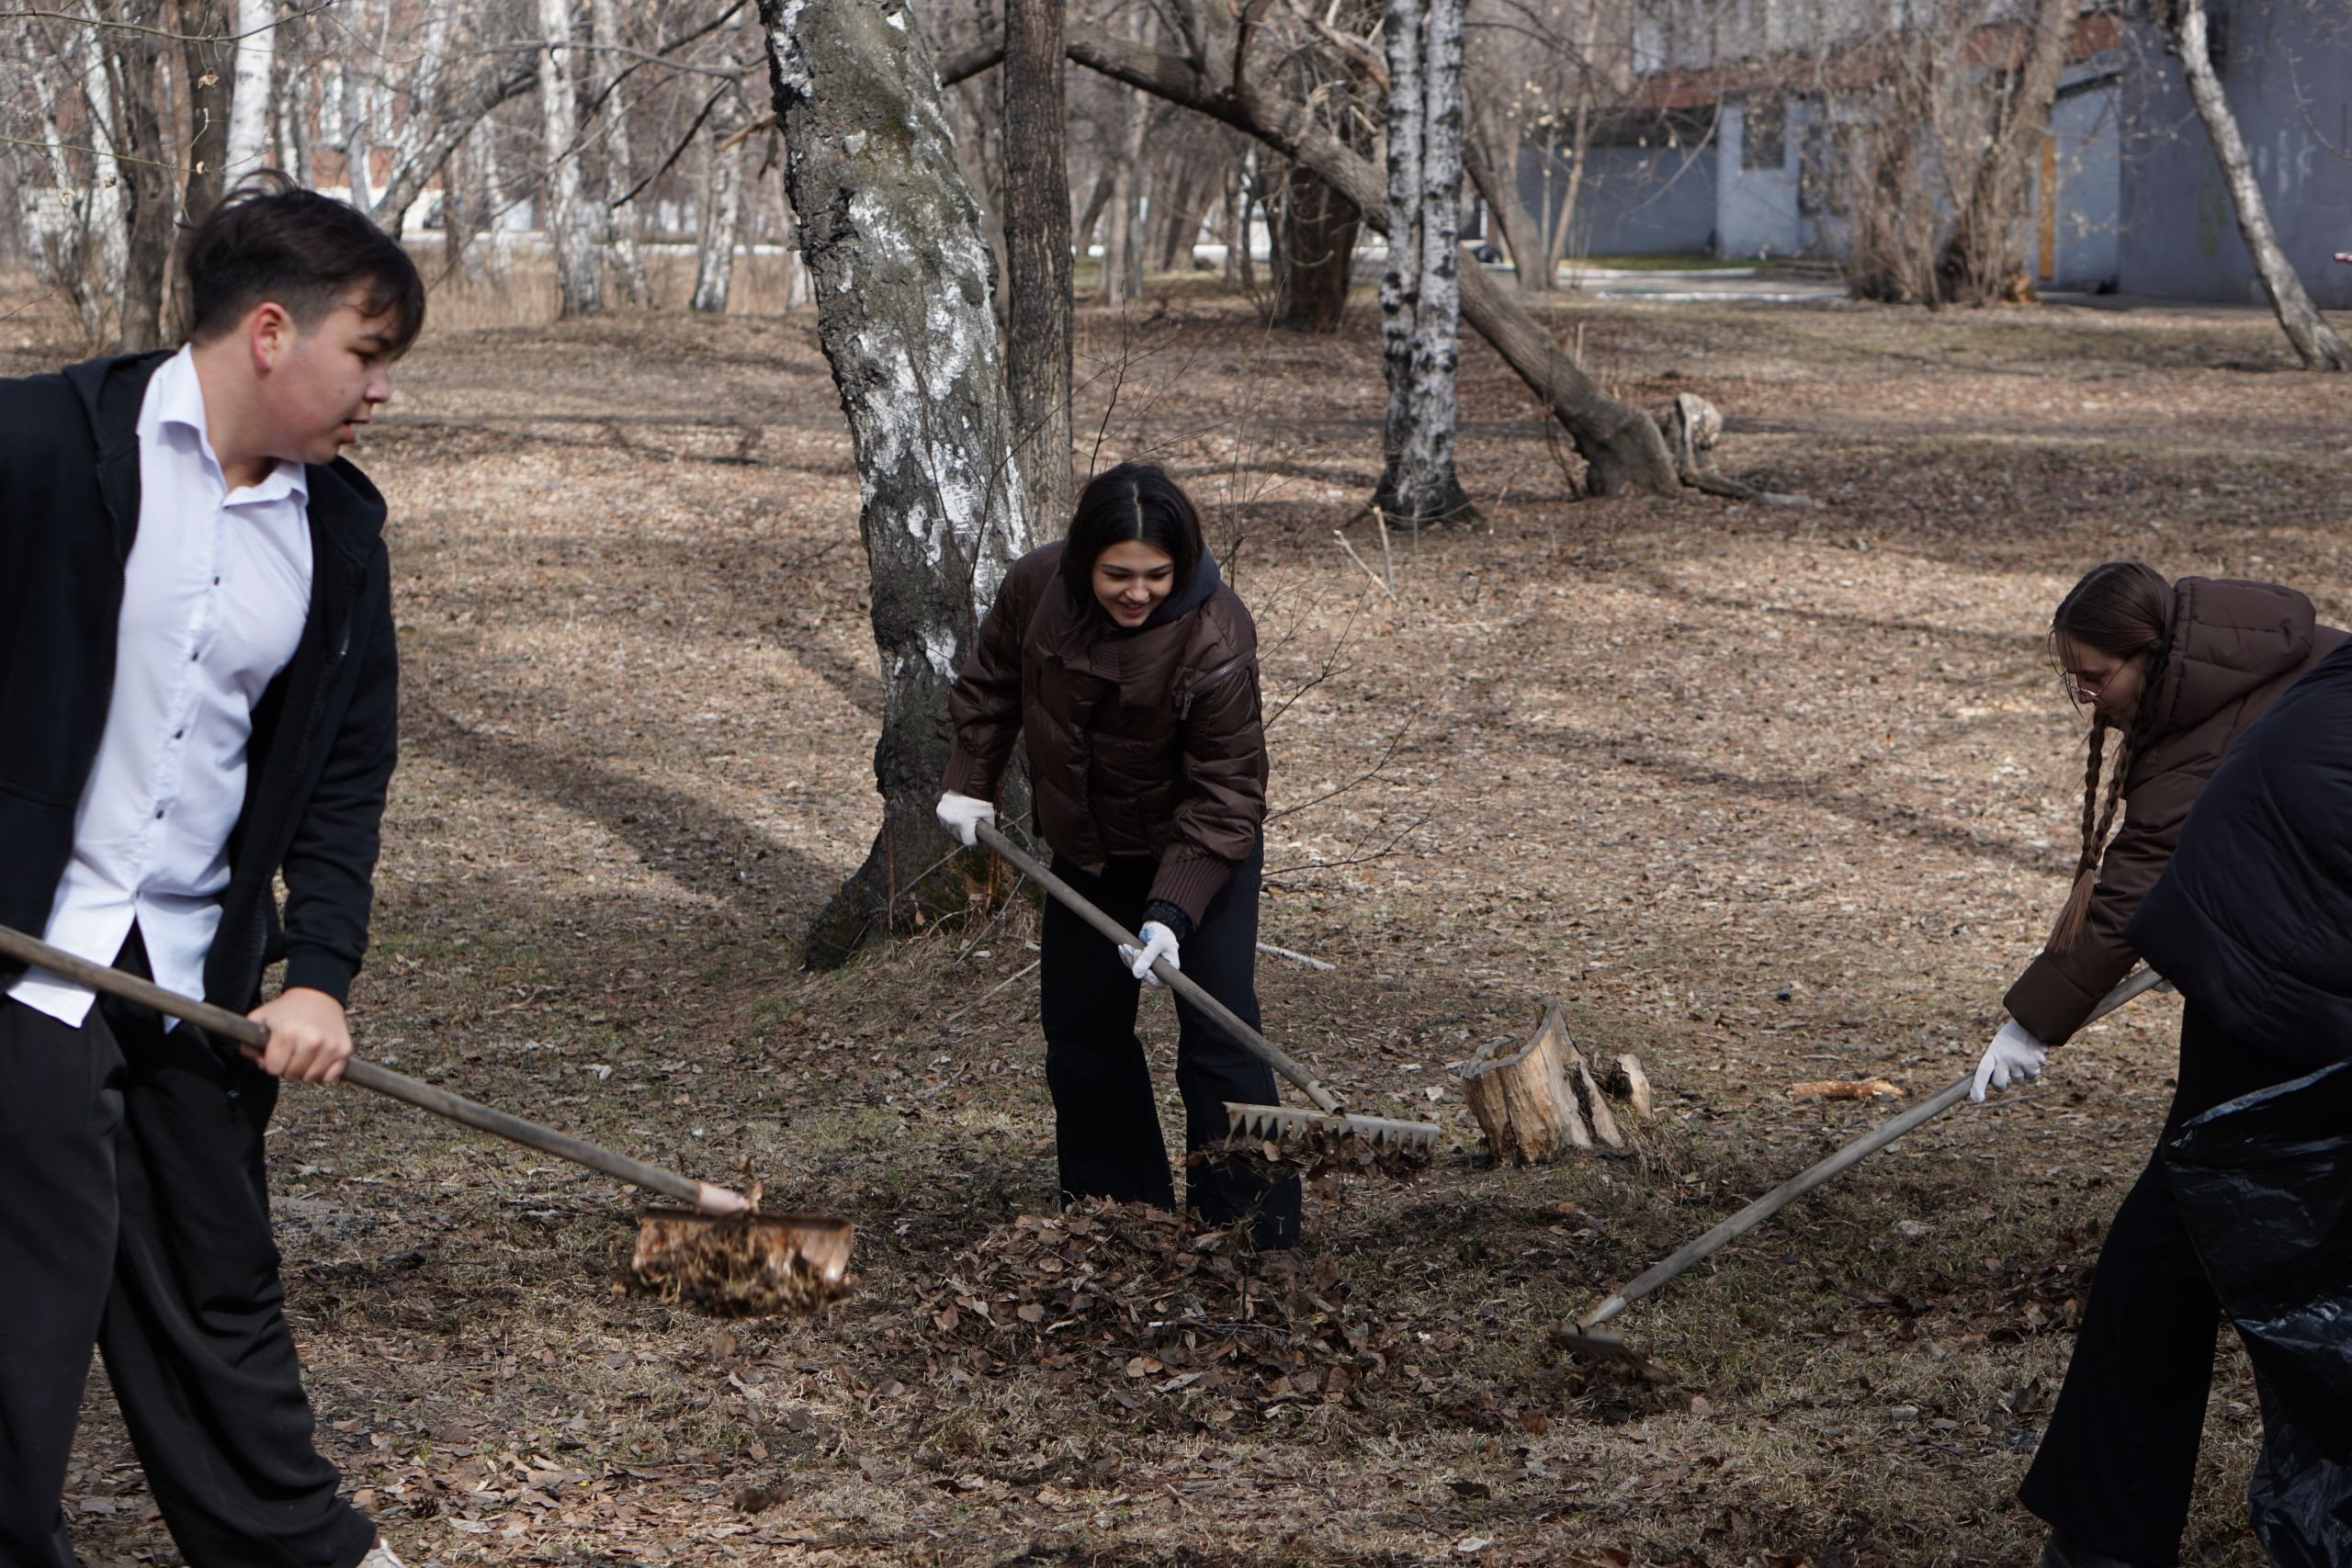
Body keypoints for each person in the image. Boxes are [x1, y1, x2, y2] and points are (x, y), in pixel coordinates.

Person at [0, 174, 419, 1568]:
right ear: (268, 331)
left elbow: (342, 782)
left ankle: (300, 1548)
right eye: (366, 355)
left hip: (190, 964)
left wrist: (321, 970)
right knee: (33, 1275)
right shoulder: (43, 446)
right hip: (26, 948)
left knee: (213, 1265)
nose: (380, 393)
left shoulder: (339, 539)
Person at [1962, 564, 2343, 1568]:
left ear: (2151, 653)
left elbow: (2140, 879)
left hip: (2284, 979)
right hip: (2282, 976)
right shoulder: (2237, 682)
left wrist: (2034, 1023)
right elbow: (2145, 871)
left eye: (2094, 679)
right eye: (2071, 680)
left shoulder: (2236, 695)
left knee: (2196, 1247)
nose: (2082, 700)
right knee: (2216, 1241)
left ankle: (2109, 1536)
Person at [934, 461, 1302, 1249]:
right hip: (1090, 853)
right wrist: (971, 781)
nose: (1137, 592)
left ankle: (1250, 1232)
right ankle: (1117, 1219)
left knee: (1219, 1035)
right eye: (1118, 574)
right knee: (1082, 1034)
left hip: (1201, 853)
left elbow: (1228, 791)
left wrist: (1170, 911)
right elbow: (992, 682)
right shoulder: (1037, 589)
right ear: (1083, 558)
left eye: (1157, 575)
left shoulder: (1216, 634)